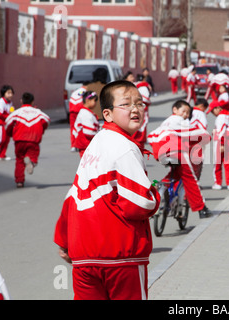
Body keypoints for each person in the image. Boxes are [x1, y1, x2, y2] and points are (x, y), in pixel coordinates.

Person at [54, 80, 161, 300]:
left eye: (139, 103)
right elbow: (140, 203)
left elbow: (73, 194)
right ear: (108, 114)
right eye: (126, 104)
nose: (135, 109)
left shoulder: (96, 144)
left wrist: (64, 240)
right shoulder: (125, 147)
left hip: (84, 255)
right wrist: (155, 194)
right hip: (119, 255)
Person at [148, 100, 212, 219]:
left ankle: (156, 191)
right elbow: (200, 133)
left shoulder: (165, 123)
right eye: (184, 111)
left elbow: (151, 136)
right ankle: (201, 209)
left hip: (160, 153)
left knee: (175, 174)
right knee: (190, 179)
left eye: (188, 113)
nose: (186, 115)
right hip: (176, 151)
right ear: (175, 110)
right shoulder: (179, 121)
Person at [5, 92, 50, 188]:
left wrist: (10, 133)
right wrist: (42, 130)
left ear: (21, 101)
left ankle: (19, 181)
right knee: (33, 155)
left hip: (19, 140)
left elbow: (8, 122)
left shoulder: (17, 112)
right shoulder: (38, 112)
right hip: (33, 140)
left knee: (19, 160)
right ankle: (32, 163)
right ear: (32, 101)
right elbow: (46, 120)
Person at [207, 100, 229, 191]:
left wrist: (222, 143)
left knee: (217, 163)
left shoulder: (221, 117)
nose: (212, 113)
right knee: (228, 163)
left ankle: (218, 183)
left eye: (213, 111)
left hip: (221, 142)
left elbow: (222, 131)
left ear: (218, 108)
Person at [72, 91, 100, 158]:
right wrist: (99, 137)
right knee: (88, 166)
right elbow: (88, 132)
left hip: (87, 145)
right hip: (86, 145)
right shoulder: (85, 114)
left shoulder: (86, 112)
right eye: (95, 100)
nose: (96, 103)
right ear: (87, 100)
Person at [190, 98, 210, 180]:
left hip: (184, 140)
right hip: (196, 140)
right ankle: (195, 181)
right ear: (202, 106)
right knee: (197, 162)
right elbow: (203, 127)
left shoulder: (187, 111)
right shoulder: (200, 113)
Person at [68, 82, 89, 152]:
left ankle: (74, 145)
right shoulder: (85, 91)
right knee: (81, 128)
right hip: (80, 111)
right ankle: (80, 144)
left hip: (72, 111)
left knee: (73, 128)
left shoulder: (76, 91)